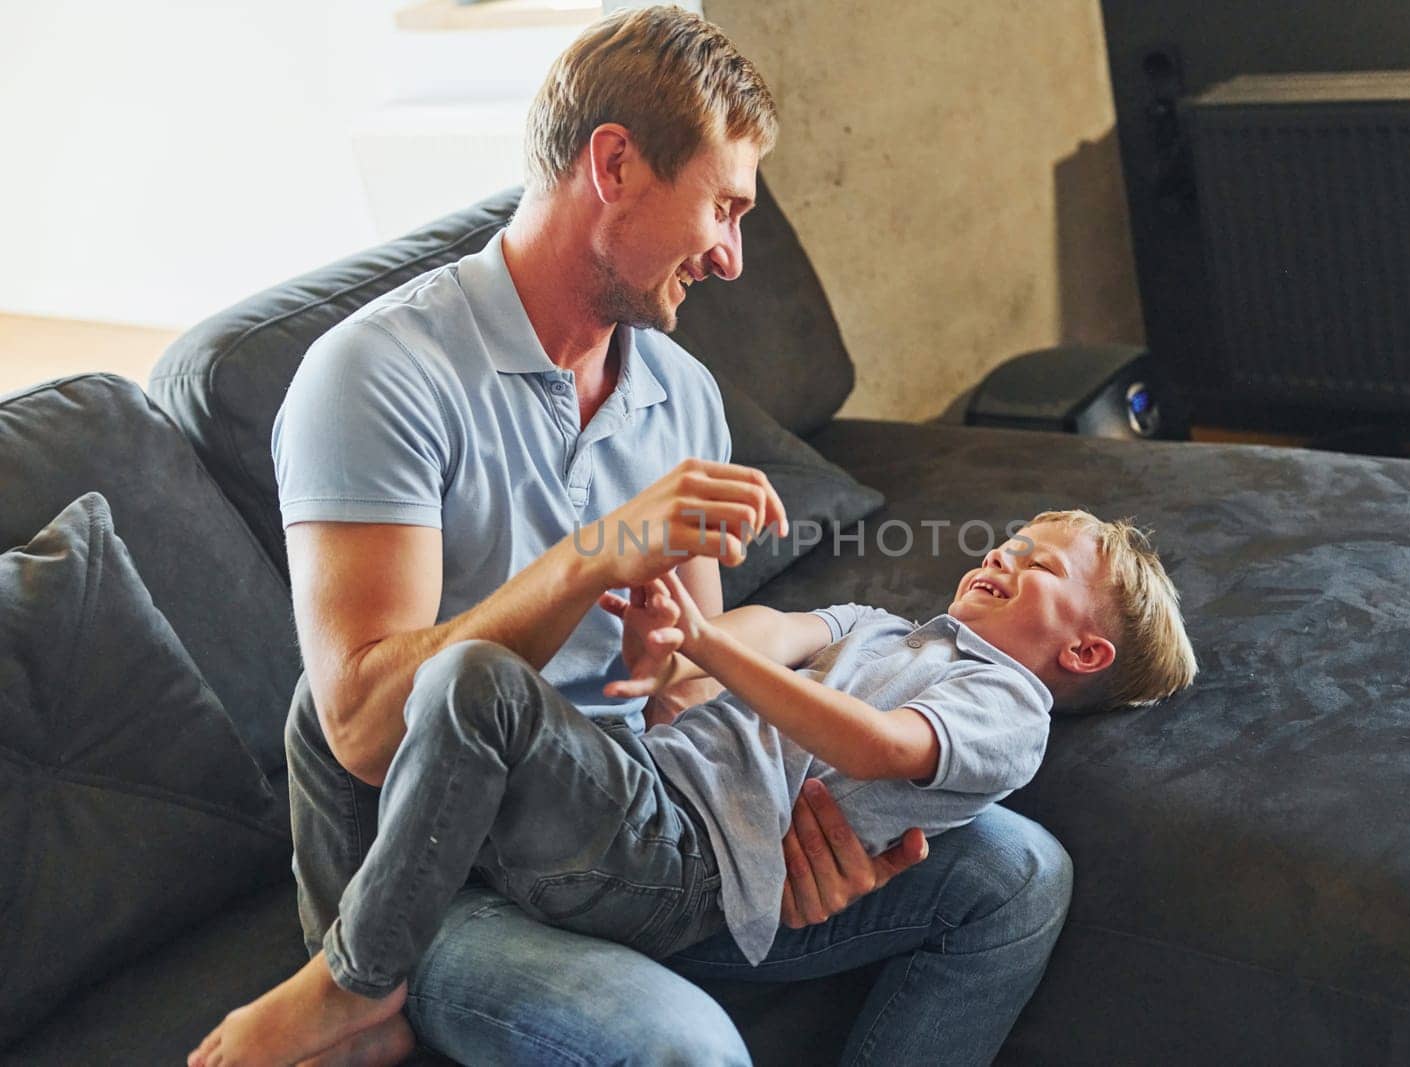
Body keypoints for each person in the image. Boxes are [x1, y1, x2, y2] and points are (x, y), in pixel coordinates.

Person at [222, 7, 1079, 1065]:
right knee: (691, 1052)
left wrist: (805, 813)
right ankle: (364, 979)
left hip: (639, 818)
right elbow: (355, 728)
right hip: (446, 863)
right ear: (616, 164)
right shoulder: (377, 375)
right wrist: (599, 550)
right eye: (723, 207)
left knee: (1021, 872)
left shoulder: (679, 392)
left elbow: (682, 688)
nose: (730, 257)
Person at [187, 511, 1196, 1067]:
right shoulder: (894, 631)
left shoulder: (1004, 705)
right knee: (344, 697)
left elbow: (885, 746)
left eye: (1036, 561)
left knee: (474, 678)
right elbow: (787, 630)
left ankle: (355, 973)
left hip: (676, 858)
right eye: (1007, 538)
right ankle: (353, 973)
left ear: (1084, 648)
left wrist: (705, 641)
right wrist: (677, 667)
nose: (1001, 551)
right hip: (633, 792)